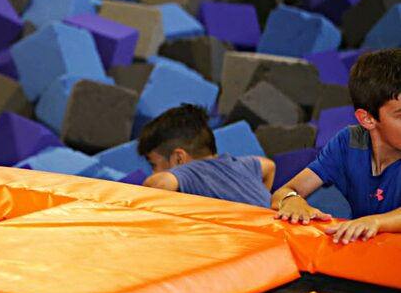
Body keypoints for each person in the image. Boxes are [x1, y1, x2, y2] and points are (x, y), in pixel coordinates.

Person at [272, 49, 401, 244]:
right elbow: (283, 192)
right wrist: (292, 201)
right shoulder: (349, 142)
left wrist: (376, 222)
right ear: (367, 119)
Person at [138, 104, 276, 207]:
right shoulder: (243, 166)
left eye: (153, 165)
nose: (152, 173)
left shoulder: (189, 173)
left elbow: (160, 183)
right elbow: (269, 166)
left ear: (178, 158)